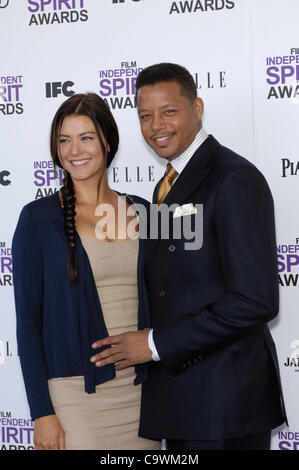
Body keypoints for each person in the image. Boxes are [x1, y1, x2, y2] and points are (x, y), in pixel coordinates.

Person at [89, 63, 287, 450]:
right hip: (182, 403)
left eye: (169, 111)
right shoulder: (167, 183)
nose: (156, 126)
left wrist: (154, 344)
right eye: (145, 116)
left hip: (225, 407)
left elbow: (255, 300)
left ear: (197, 107)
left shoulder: (233, 179)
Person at [12, 92, 160, 451]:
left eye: (86, 138)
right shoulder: (37, 220)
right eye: (64, 140)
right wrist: (41, 413)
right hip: (74, 398)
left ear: (107, 141)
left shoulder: (145, 211)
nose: (74, 150)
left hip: (143, 394)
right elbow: (28, 325)